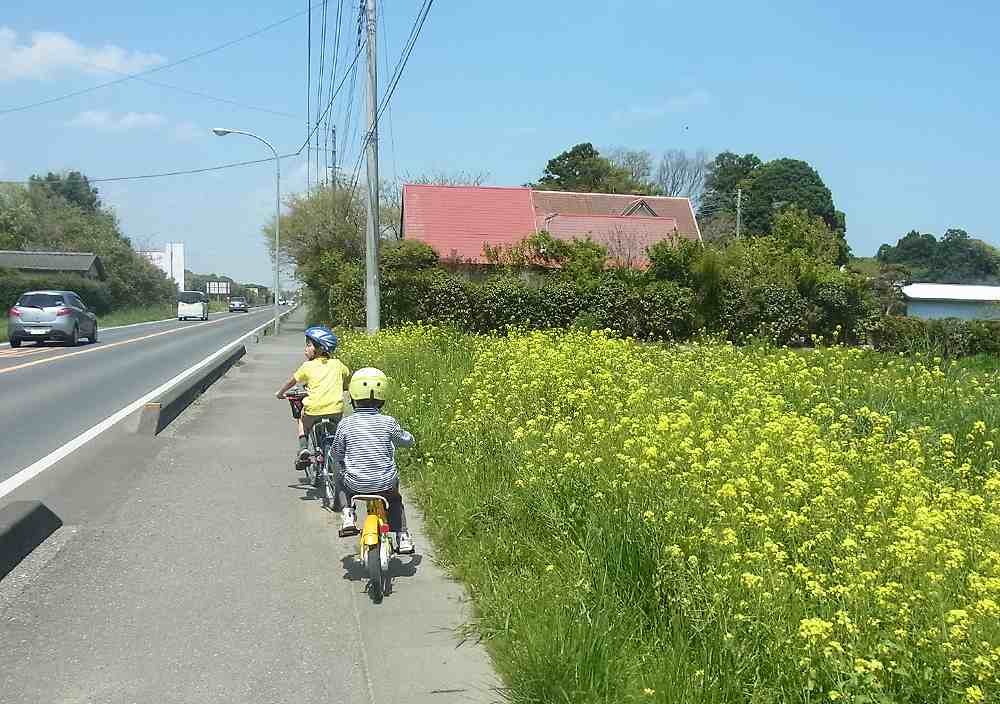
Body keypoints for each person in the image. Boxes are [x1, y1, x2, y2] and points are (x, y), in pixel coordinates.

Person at [332, 367, 415, 554]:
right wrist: (410, 438)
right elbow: (405, 440)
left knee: (338, 468)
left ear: (352, 396)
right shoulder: (388, 422)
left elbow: (337, 452)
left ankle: (347, 513)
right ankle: (402, 536)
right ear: (382, 397)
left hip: (355, 485)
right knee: (395, 499)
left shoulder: (345, 424)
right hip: (384, 484)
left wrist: (341, 460)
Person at [275, 326, 350, 474]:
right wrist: (345, 387)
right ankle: (339, 454)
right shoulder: (338, 364)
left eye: (309, 345)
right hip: (336, 409)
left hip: (313, 410)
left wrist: (280, 393)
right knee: (335, 432)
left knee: (302, 420)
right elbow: (347, 378)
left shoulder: (307, 366)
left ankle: (303, 449)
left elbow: (292, 381)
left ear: (320, 349)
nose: (306, 349)